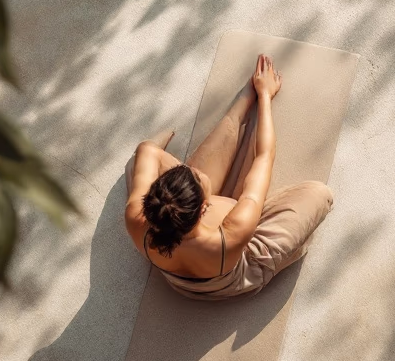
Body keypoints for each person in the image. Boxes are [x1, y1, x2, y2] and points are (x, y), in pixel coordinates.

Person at [124, 54, 334, 299]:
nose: (194, 169)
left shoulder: (136, 218)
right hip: (226, 270)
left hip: (176, 259)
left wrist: (251, 93)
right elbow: (264, 157)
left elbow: (147, 151)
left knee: (147, 151)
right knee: (320, 194)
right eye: (197, 177)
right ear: (204, 208)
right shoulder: (233, 234)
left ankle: (243, 102)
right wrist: (265, 97)